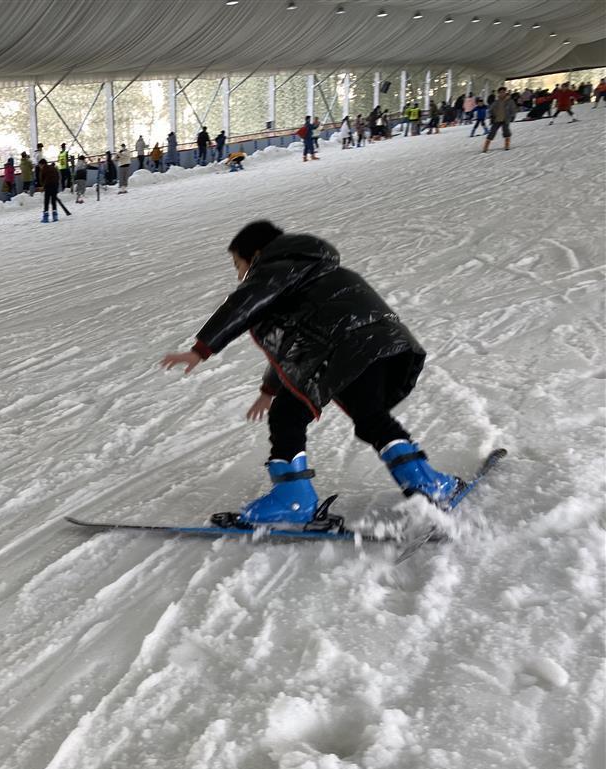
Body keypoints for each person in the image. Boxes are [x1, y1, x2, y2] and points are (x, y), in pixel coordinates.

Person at [159, 220, 461, 525]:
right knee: (370, 417)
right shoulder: (314, 270)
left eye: (239, 265)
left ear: (258, 254)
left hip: (341, 349)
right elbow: (298, 348)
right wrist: (268, 390)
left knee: (287, 415)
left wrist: (201, 349)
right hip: (378, 345)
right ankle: (427, 482)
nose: (239, 276)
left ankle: (294, 499)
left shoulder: (278, 267)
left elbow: (244, 305)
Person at [483, 86, 518, 152]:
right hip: (497, 119)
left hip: (505, 119)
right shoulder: (496, 101)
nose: (502, 93)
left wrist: (513, 116)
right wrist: (491, 116)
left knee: (506, 131)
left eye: (503, 92)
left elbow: (513, 109)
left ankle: (507, 145)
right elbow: (490, 110)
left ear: (505, 92)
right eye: (500, 92)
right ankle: (486, 146)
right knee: (492, 132)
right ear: (498, 93)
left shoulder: (510, 101)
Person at [37, 157, 60, 222]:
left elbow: (41, 179)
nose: (40, 167)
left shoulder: (44, 169)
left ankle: (45, 217)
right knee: (53, 201)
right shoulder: (53, 168)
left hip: (48, 186)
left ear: (42, 164)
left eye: (40, 165)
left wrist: (43, 187)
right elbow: (58, 176)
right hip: (55, 185)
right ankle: (55, 216)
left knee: (46, 201)